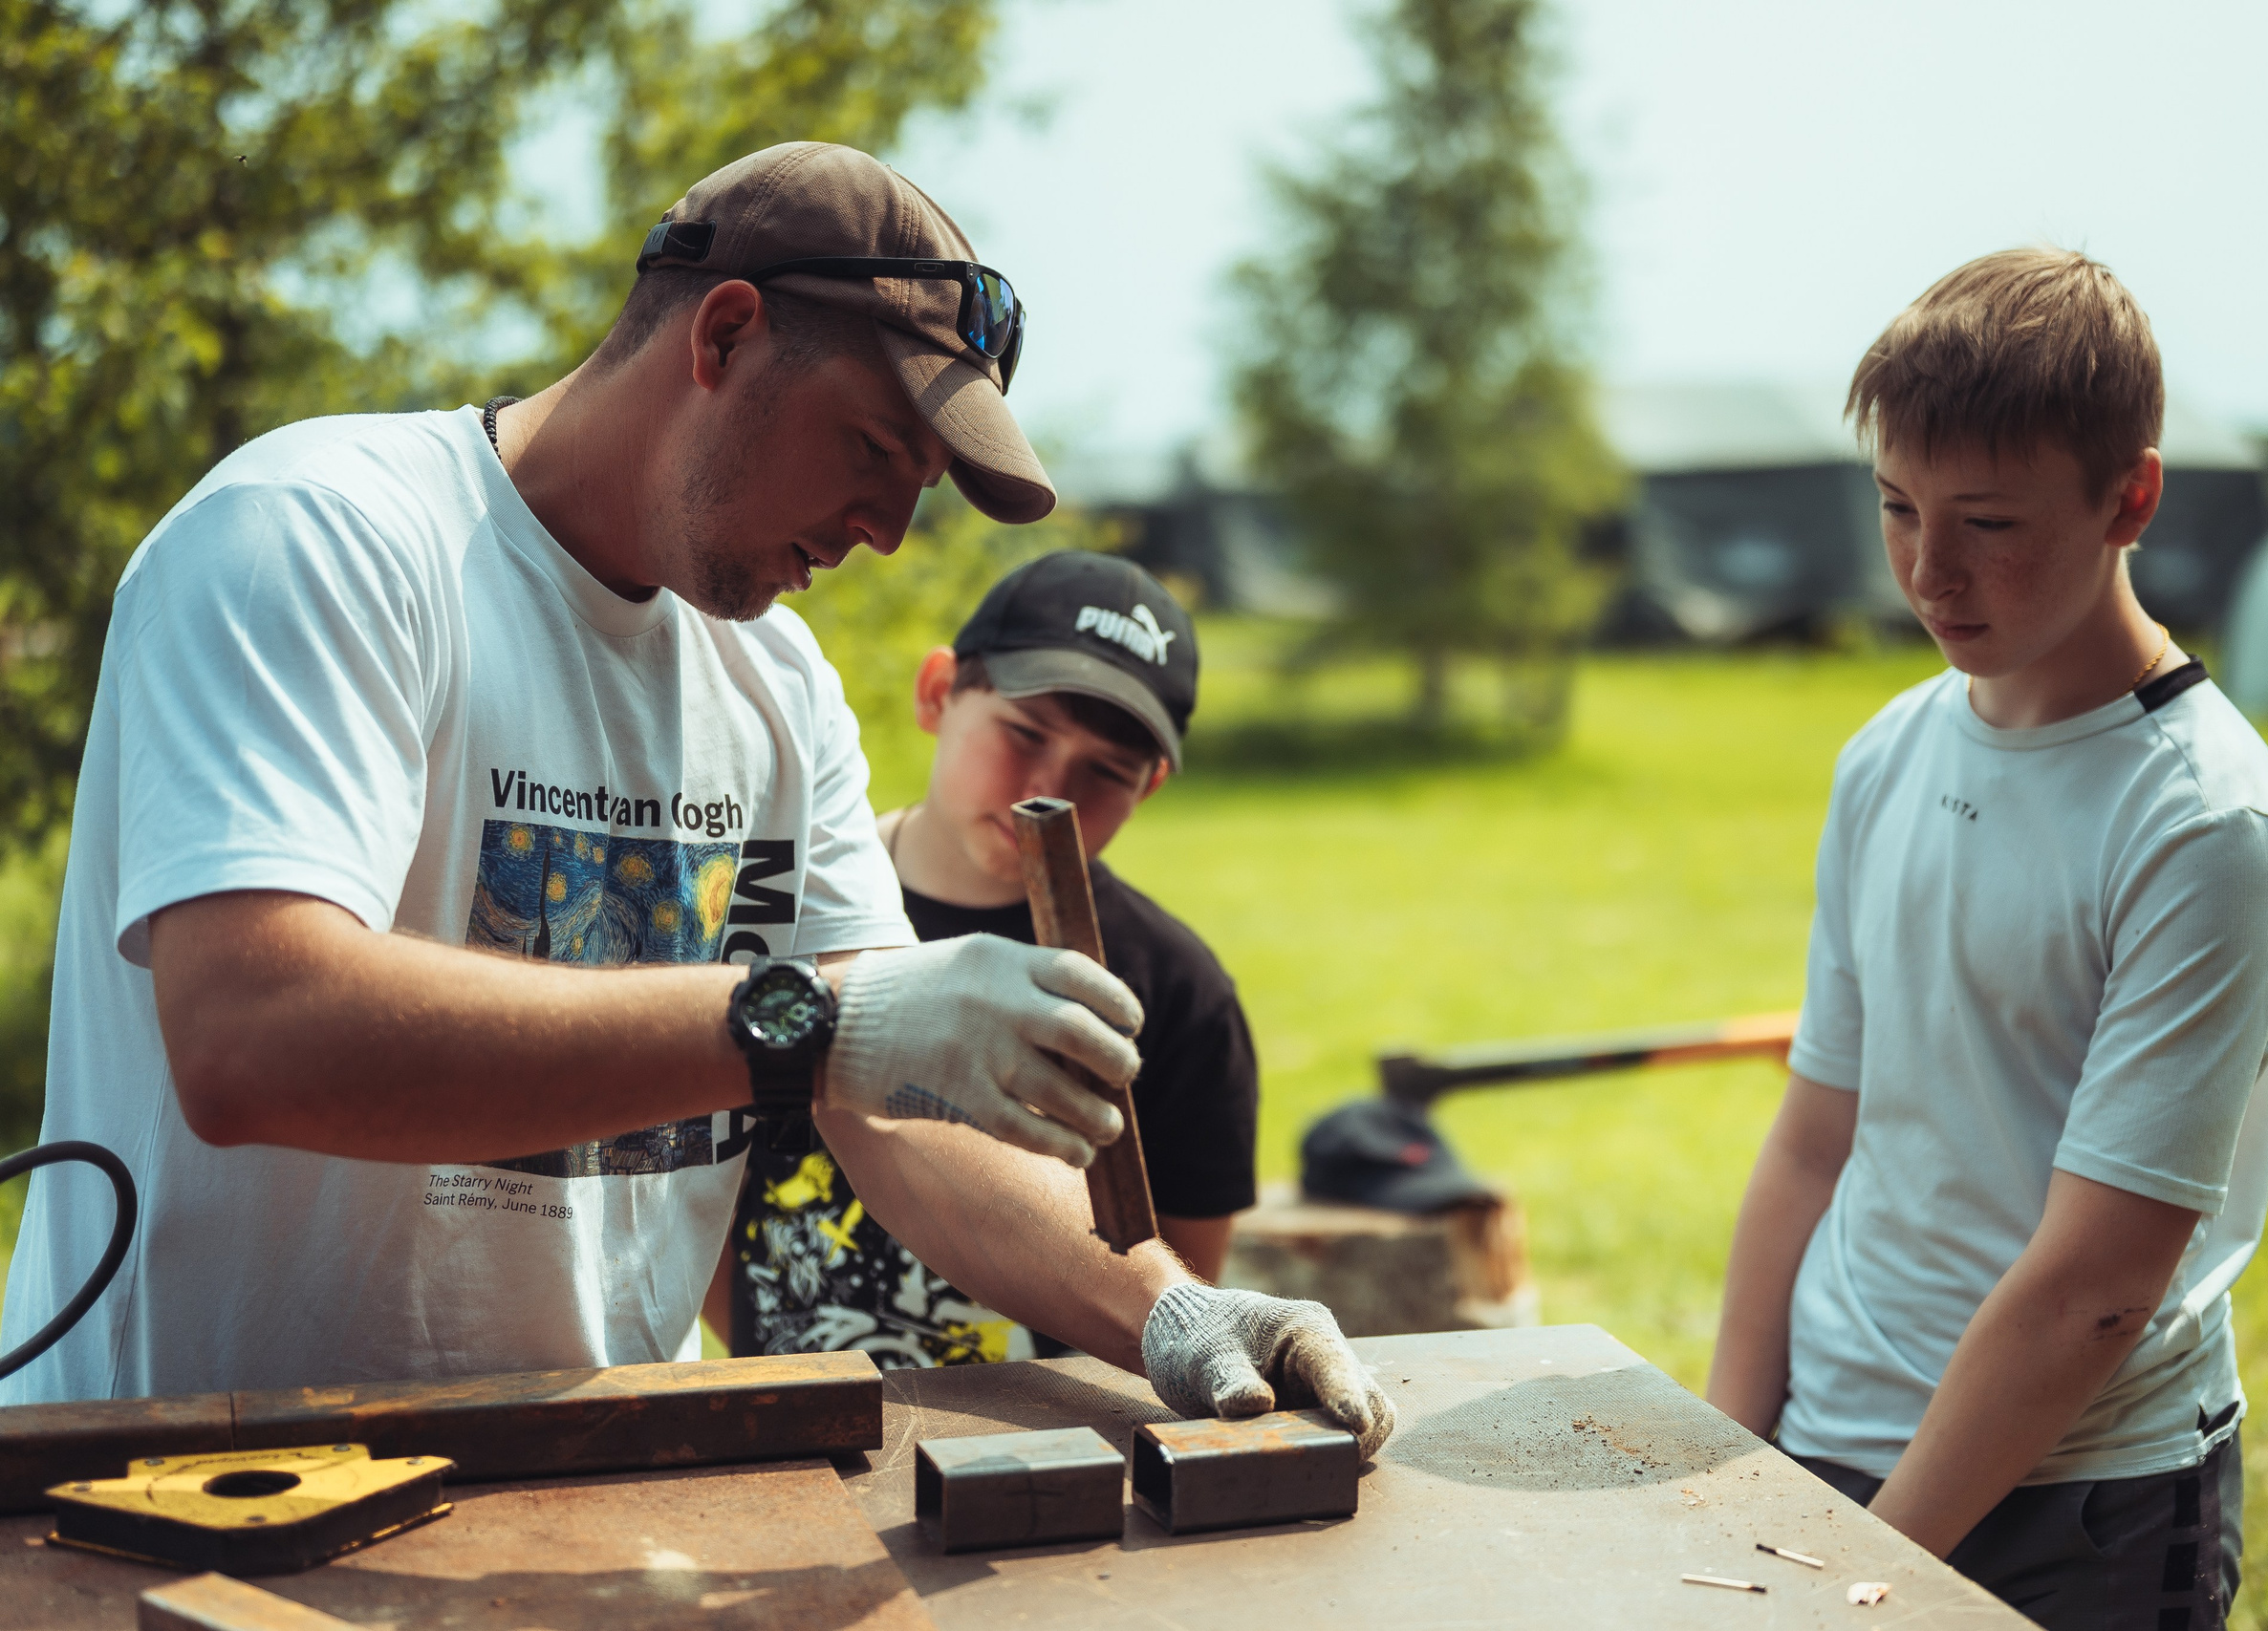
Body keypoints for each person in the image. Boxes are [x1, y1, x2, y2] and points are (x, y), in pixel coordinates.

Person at [0, 141, 1392, 1459]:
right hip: (192, 1477)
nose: (886, 532)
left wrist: (1167, 1307)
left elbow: (893, 1106)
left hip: (595, 1476)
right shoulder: (322, 537)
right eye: (871, 449)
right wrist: (805, 1022)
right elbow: (254, 1030)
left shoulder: (775, 683)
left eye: (916, 490)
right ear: (723, 336)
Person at [1704, 248, 2268, 1628]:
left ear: (2129, 497)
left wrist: (1875, 1572)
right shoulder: (1886, 752)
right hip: (1826, 1441)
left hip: (2083, 1503)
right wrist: (1733, 1455)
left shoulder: (2200, 821)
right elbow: (1814, 1135)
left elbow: (2095, 1287)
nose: (1930, 569)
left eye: (1987, 521)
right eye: (1896, 506)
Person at [714, 551, 1259, 1366]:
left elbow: (1187, 1281)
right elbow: (688, 1191)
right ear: (939, 691)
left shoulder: (1178, 991)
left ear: (1149, 787)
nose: (1050, 785)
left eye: (1107, 771)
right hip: (791, 1403)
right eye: (1025, 732)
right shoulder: (774, 908)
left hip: (1055, 1430)